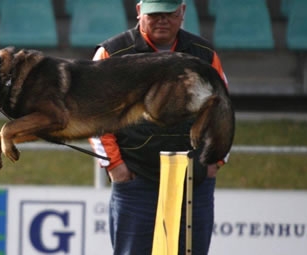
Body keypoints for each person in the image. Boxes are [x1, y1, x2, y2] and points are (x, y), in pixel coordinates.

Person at [88, 0, 229, 254]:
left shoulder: (205, 54)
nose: (162, 20)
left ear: (182, 12)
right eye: (155, 14)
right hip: (136, 181)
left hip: (193, 180)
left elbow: (223, 111)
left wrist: (214, 163)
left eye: (169, 13)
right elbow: (94, 116)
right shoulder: (113, 53)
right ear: (140, 11)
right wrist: (116, 167)